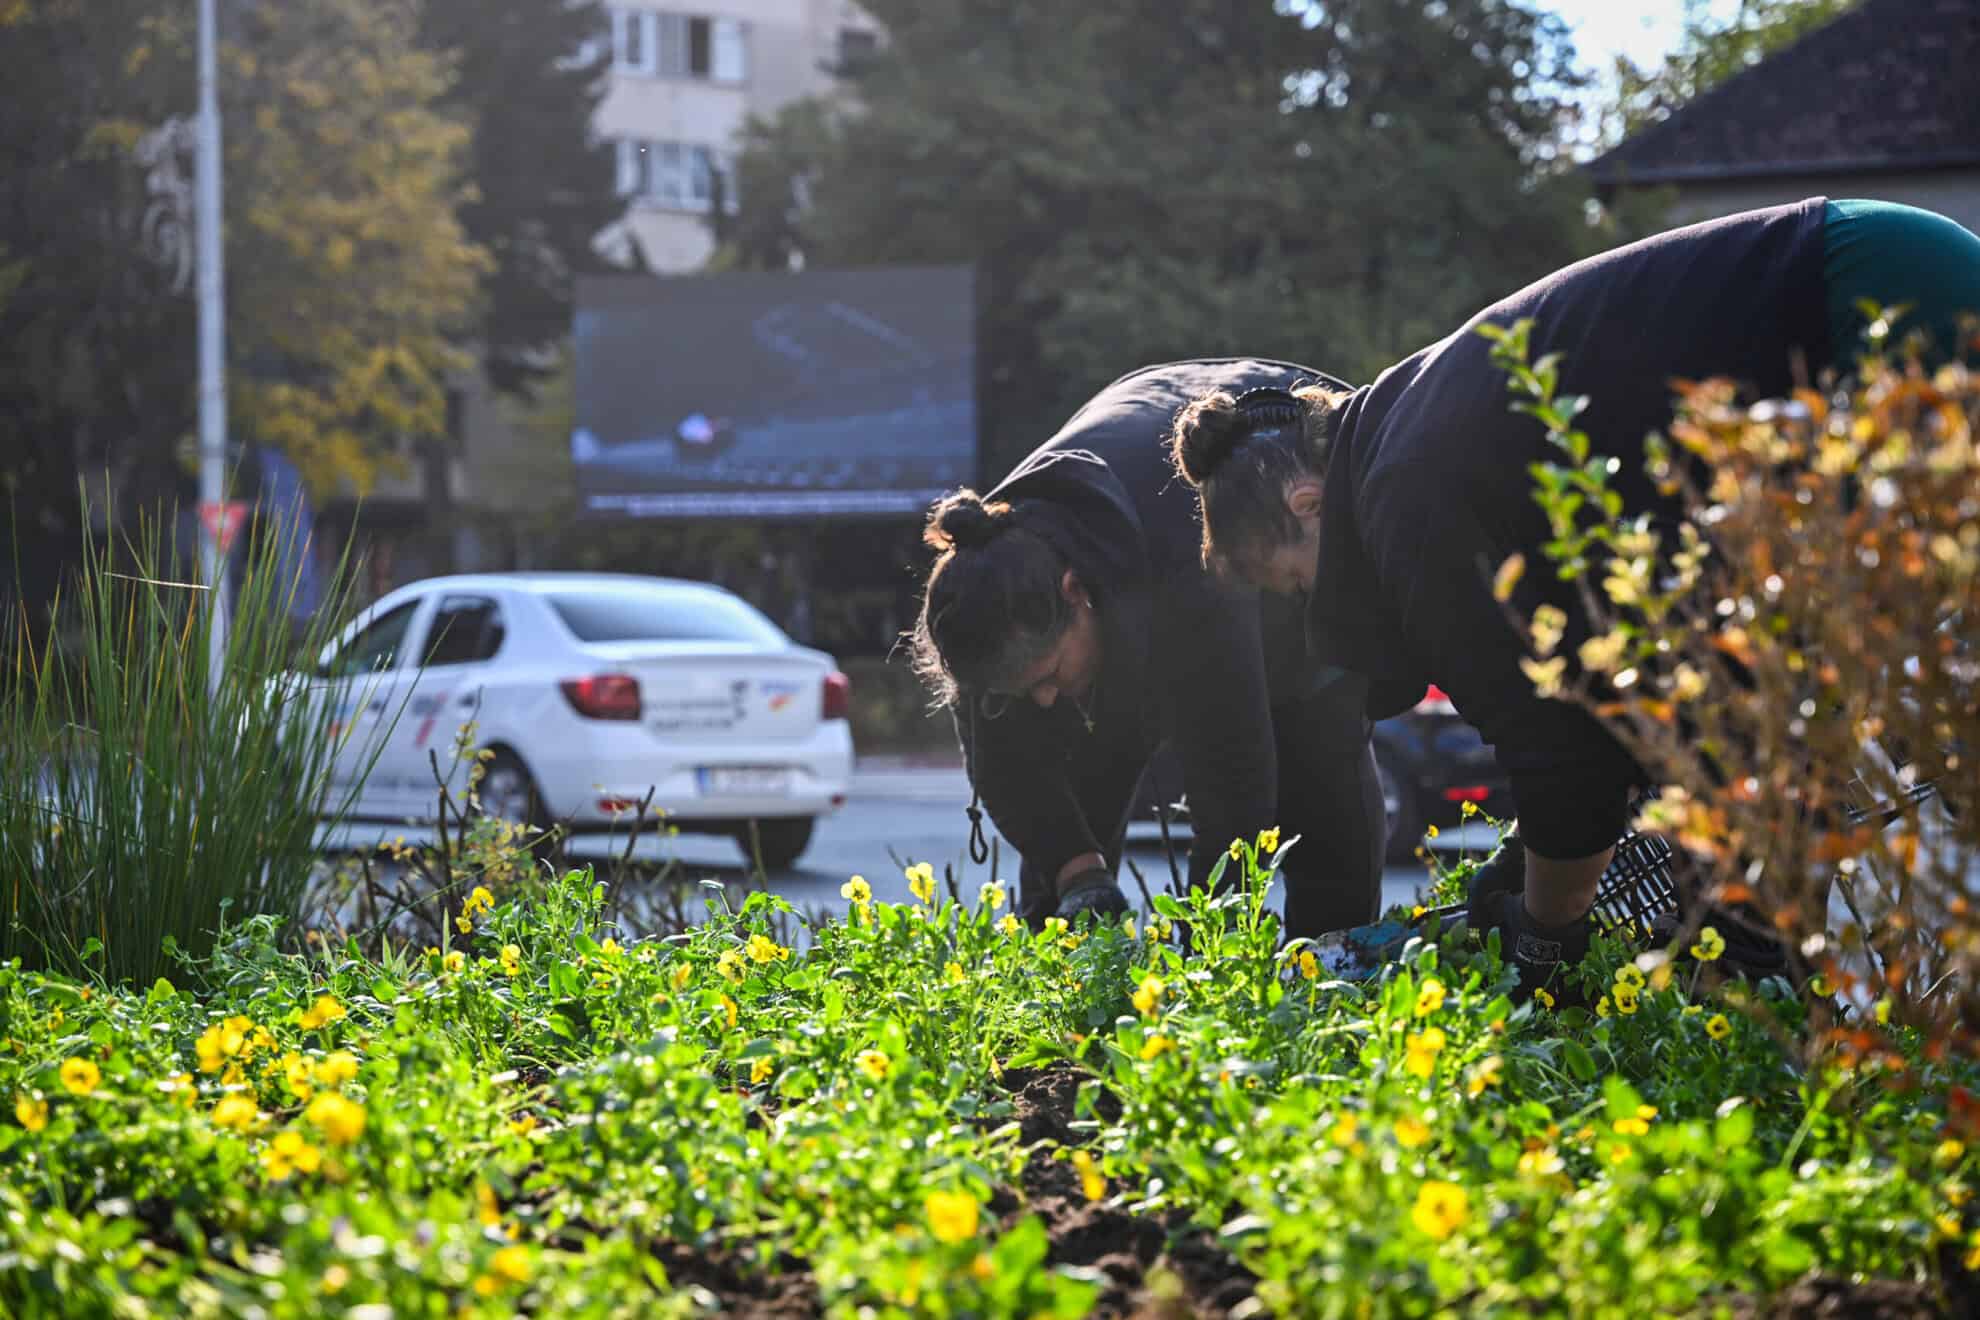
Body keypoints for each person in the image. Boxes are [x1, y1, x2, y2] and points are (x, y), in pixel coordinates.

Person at [1168, 197, 1980, 994]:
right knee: (1738, 768)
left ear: (1305, 508)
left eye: (1295, 582)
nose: (1311, 604)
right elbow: (1606, 704)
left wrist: (1545, 935)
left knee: (1804, 761)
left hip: (1863, 303)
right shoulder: (1400, 438)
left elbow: (1558, 753)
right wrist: (1533, 857)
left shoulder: (1398, 495)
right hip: (1875, 279)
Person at [910, 359, 1388, 936]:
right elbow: (1006, 762)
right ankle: (1065, 999)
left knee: (1324, 797)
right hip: (1131, 597)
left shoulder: (1191, 571)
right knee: (1063, 890)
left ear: (1074, 592)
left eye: (1049, 674)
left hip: (1281, 525)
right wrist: (1076, 869)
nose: (1042, 699)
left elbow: (1235, 785)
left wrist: (1207, 958)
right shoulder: (985, 586)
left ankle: (1335, 983)